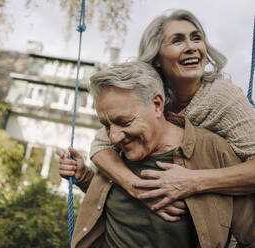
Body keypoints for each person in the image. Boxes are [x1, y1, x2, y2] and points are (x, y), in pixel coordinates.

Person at [57, 61, 255, 248]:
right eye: (106, 126)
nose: (114, 136)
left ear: (157, 104)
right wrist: (84, 178)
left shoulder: (214, 152)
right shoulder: (114, 154)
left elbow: (250, 235)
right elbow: (120, 206)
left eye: (124, 122)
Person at [89, 9, 255, 217]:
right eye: (177, 41)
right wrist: (135, 186)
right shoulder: (147, 95)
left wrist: (193, 181)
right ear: (157, 57)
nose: (191, 47)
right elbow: (100, 145)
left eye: (196, 38)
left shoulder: (223, 97)